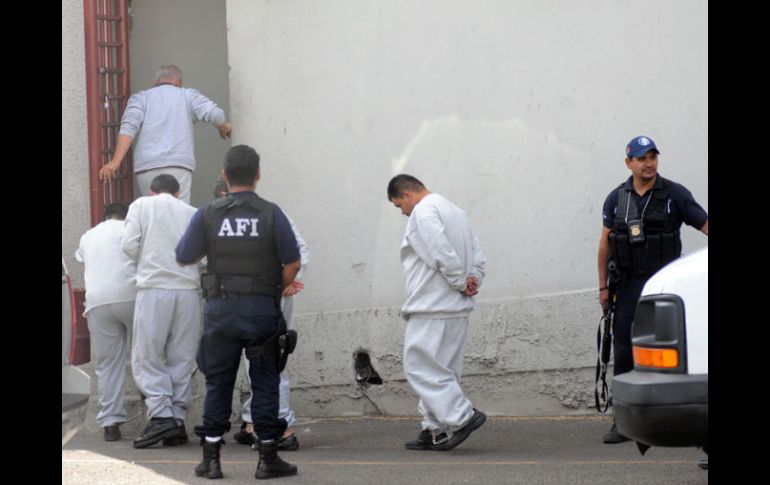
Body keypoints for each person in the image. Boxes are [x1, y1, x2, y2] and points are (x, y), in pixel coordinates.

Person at [176, 145, 301, 480]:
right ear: (258, 175)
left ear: (224, 175)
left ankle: (212, 460)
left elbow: (184, 256)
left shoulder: (208, 213)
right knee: (265, 383)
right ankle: (267, 459)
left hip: (221, 310)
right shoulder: (273, 213)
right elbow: (293, 261)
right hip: (261, 311)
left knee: (218, 382)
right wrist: (277, 289)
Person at [598, 135, 708, 443]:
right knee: (623, 351)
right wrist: (603, 289)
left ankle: (673, 419)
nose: (649, 163)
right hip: (628, 286)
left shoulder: (675, 194)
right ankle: (623, 423)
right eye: (642, 158)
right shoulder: (616, 199)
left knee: (673, 356)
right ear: (629, 162)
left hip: (664, 289)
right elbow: (604, 245)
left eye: (653, 157)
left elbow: (705, 224)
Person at [387, 174, 487, 452]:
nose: (403, 212)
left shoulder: (423, 211)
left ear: (406, 195)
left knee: (420, 367)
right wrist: (472, 279)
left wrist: (458, 280)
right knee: (444, 370)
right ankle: (435, 429)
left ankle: (461, 417)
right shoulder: (456, 211)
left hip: (432, 303)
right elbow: (476, 252)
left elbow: (439, 249)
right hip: (456, 305)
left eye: (399, 206)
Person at [122, 174, 202, 449]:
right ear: (178, 192)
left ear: (152, 191)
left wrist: (149, 258)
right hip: (188, 291)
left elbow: (129, 245)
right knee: (182, 356)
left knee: (147, 355)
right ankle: (176, 420)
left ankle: (161, 415)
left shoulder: (141, 206)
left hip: (154, 287)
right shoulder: (193, 212)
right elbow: (202, 255)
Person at [98, 65, 233, 203]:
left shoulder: (141, 98)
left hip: (147, 167)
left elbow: (128, 128)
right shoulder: (188, 95)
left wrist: (115, 162)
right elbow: (215, 114)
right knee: (178, 215)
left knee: (153, 214)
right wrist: (222, 126)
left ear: (156, 82)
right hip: (178, 166)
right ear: (178, 83)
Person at [233, 213, 310, 452]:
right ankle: (252, 422)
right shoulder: (272, 212)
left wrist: (288, 280)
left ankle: (281, 427)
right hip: (268, 293)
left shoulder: (223, 218)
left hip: (256, 297)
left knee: (265, 360)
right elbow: (300, 249)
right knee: (263, 359)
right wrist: (289, 279)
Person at [74, 202, 137, 442]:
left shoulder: (89, 235)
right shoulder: (131, 229)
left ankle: (111, 423)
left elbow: (80, 257)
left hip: (98, 302)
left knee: (108, 364)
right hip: (131, 296)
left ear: (104, 216)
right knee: (145, 357)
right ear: (127, 216)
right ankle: (159, 418)